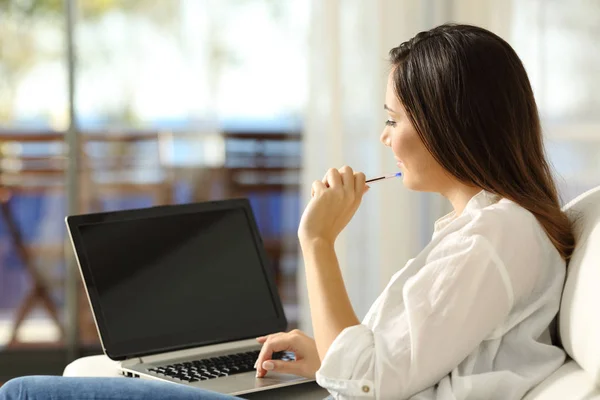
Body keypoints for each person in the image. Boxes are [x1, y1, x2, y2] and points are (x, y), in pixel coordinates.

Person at [0, 23, 574, 400]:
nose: (383, 137)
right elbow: (405, 361)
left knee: (25, 391)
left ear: (448, 125)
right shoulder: (496, 230)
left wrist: (317, 241)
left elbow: (368, 382)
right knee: (79, 377)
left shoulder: (494, 237)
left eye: (393, 120)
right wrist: (323, 353)